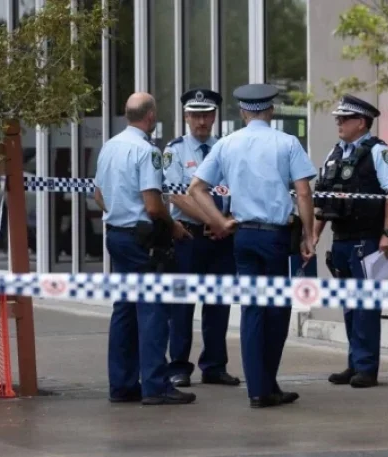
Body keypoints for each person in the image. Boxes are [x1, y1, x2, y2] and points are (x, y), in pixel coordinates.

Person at [187, 83, 317, 408]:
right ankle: (265, 385)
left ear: (243, 111)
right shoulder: (287, 143)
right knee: (277, 312)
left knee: (251, 311)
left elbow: (196, 188)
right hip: (274, 237)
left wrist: (218, 221)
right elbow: (303, 193)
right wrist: (309, 235)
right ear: (270, 110)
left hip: (243, 235)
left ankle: (259, 388)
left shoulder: (227, 144)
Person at [93, 92, 196, 405]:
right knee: (152, 311)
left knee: (124, 310)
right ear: (150, 117)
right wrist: (174, 226)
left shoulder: (110, 146)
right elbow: (153, 205)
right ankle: (155, 384)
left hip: (116, 236)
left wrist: (119, 210)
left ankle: (122, 385)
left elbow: (98, 194)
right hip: (143, 240)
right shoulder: (146, 151)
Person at [311, 94, 388, 389]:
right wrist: (314, 234)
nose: (339, 123)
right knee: (350, 306)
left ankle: (366, 367)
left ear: (361, 122)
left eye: (344, 119)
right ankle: (354, 362)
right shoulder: (334, 153)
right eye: (338, 118)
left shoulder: (379, 152)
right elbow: (323, 198)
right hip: (341, 240)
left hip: (366, 239)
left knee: (365, 307)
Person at [163, 88, 241, 388]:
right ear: (186, 117)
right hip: (189, 237)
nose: (201, 121)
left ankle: (215, 366)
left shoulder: (225, 148)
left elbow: (235, 188)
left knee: (218, 305)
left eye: (206, 115)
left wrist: (226, 223)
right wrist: (212, 220)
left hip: (222, 239)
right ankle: (179, 366)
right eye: (195, 115)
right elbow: (175, 194)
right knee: (182, 305)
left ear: (214, 116)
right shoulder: (175, 151)